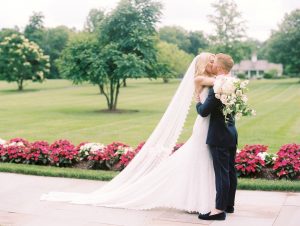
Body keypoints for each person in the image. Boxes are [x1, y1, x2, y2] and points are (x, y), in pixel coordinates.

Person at [40, 52, 225, 216]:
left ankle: (197, 200)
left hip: (210, 125)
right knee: (198, 159)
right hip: (203, 126)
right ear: (202, 64)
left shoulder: (211, 77)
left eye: (214, 61)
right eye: (211, 61)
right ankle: (197, 201)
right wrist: (228, 78)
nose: (213, 64)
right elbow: (218, 82)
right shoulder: (200, 79)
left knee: (198, 161)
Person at [196, 53, 238, 221]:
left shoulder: (219, 85)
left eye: (214, 64)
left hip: (219, 135)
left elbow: (204, 111)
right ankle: (229, 204)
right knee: (230, 171)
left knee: (222, 173)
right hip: (231, 132)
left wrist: (198, 102)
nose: (212, 65)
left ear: (219, 68)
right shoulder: (234, 83)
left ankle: (218, 210)